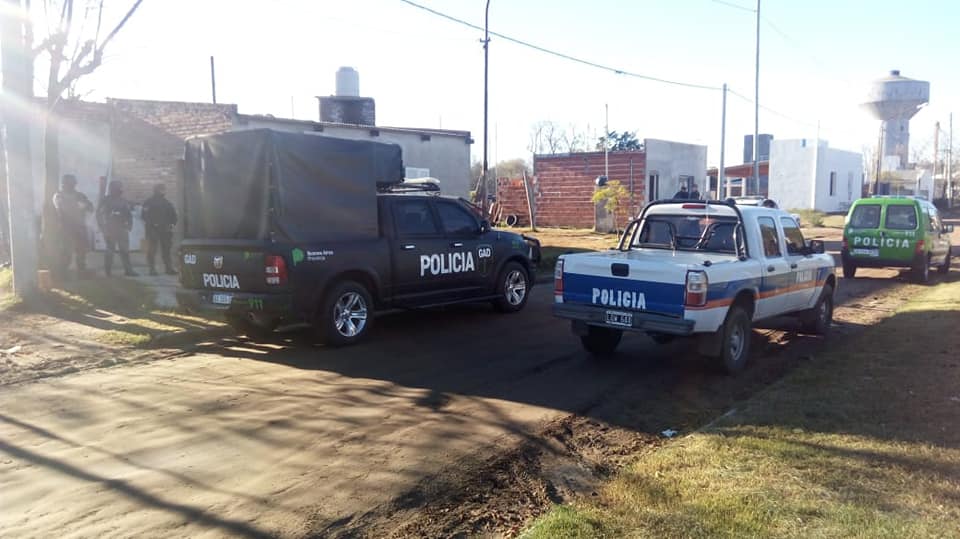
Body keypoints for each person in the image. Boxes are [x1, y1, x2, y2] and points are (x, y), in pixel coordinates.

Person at [52, 174, 94, 278]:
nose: (71, 185)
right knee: (66, 251)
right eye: (68, 183)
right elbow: (61, 207)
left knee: (81, 251)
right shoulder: (59, 195)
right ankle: (62, 272)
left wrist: (83, 206)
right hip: (65, 228)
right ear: (64, 184)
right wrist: (77, 205)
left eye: (72, 183)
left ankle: (81, 271)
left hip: (79, 226)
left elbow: (90, 207)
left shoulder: (80, 195)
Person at [97, 180, 138, 277]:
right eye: (118, 187)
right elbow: (99, 214)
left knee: (125, 250)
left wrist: (129, 225)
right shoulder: (105, 200)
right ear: (113, 188)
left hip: (122, 228)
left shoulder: (123, 200)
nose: (121, 189)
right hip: (110, 228)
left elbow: (128, 214)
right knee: (110, 250)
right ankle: (108, 271)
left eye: (120, 187)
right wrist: (103, 227)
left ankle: (128, 270)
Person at [141, 183, 178, 275]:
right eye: (161, 189)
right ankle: (152, 269)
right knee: (152, 250)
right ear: (156, 190)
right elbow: (144, 215)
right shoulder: (149, 202)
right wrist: (153, 224)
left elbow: (173, 215)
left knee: (167, 249)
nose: (163, 191)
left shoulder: (167, 203)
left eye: (164, 189)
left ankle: (169, 268)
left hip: (165, 230)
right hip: (152, 229)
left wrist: (172, 224)